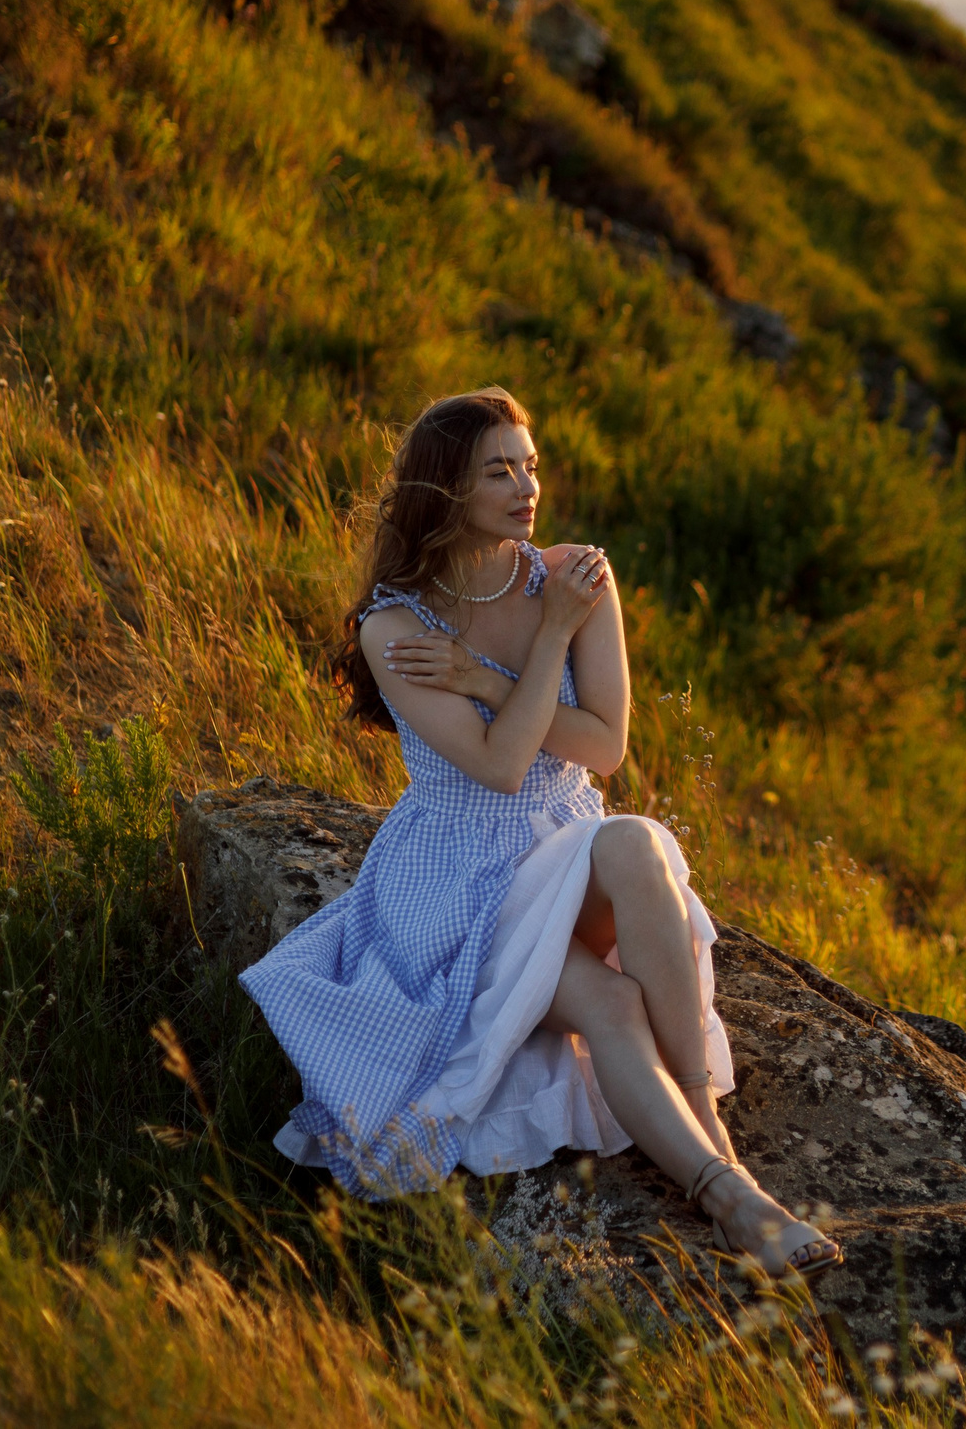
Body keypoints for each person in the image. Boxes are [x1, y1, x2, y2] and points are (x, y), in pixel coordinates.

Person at [241, 387, 839, 1279]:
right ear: (444, 490)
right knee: (608, 1004)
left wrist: (488, 674)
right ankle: (730, 1198)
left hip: (563, 844)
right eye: (499, 470)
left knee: (635, 842)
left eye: (531, 464)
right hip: (453, 888)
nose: (527, 487)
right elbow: (497, 766)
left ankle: (707, 1119)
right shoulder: (396, 625)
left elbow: (604, 746)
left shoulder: (575, 576)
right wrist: (550, 633)